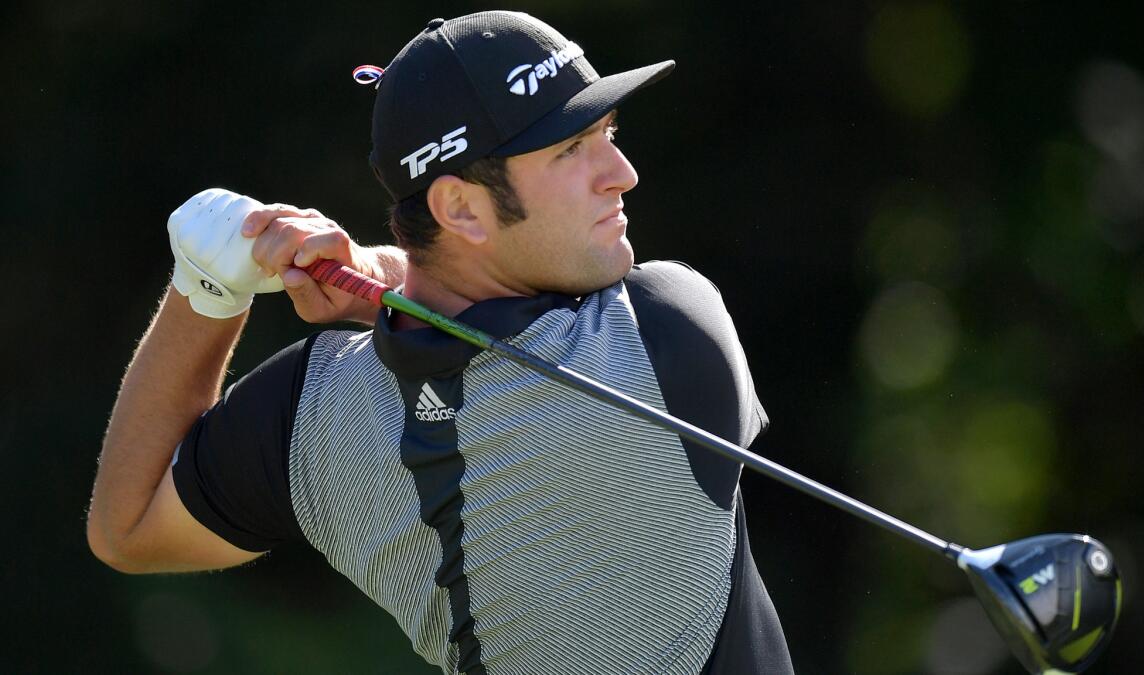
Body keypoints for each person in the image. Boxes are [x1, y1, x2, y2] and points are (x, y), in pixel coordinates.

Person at [88, 10, 793, 674]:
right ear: (458, 207)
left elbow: (125, 528)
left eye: (607, 131)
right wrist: (372, 279)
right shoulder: (670, 335)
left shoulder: (309, 421)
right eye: (573, 148)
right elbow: (517, 326)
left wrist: (207, 291)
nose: (622, 172)